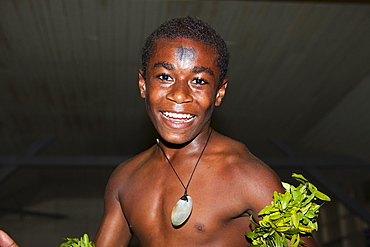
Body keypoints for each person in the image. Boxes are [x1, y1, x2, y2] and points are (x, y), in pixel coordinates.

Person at [0, 16, 318, 247]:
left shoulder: (248, 176)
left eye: (199, 81)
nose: (179, 95)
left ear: (219, 93)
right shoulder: (124, 179)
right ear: (143, 84)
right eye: (165, 77)